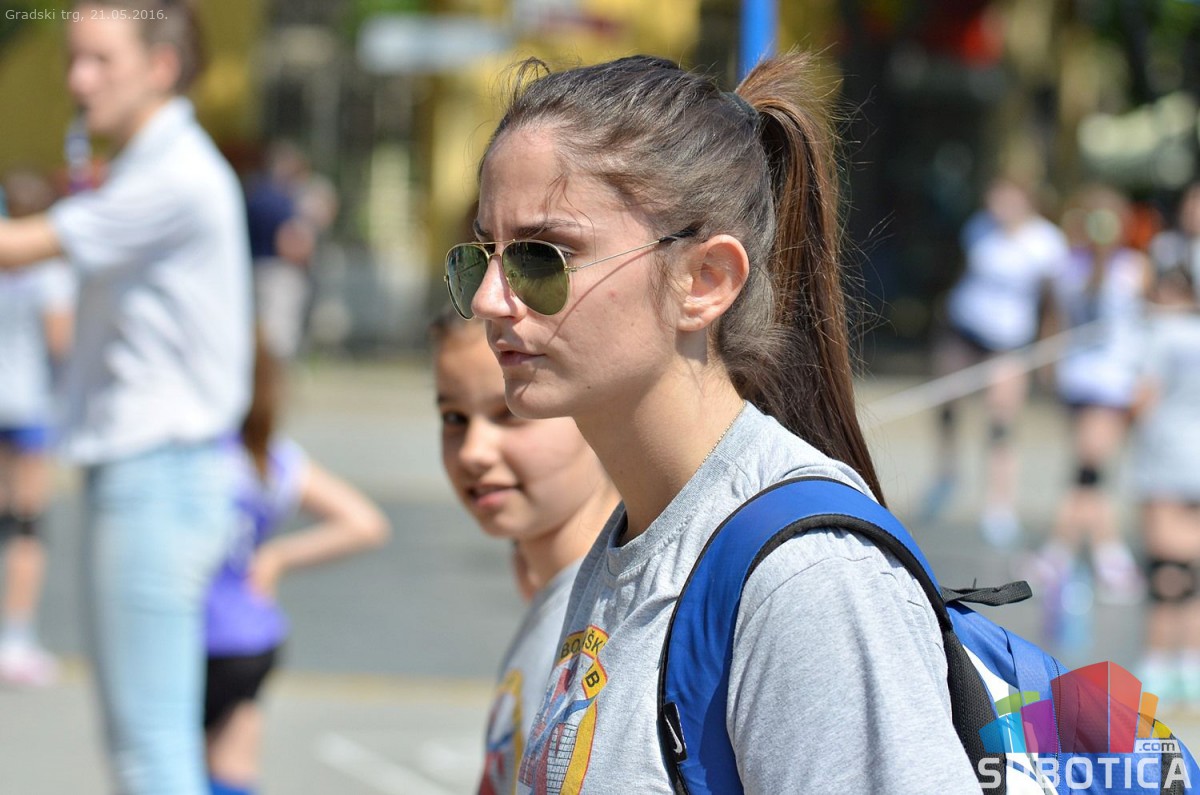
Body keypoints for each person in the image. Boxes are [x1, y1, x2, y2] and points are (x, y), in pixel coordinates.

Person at [444, 53, 980, 791]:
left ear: (704, 280)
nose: (488, 300)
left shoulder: (809, 579)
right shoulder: (633, 538)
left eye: (543, 256)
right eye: (480, 256)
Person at [0, 3, 252, 793]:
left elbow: (19, 246)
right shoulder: (150, 163)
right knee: (146, 740)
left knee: (150, 750)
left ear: (161, 66)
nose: (78, 80)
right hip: (153, 474)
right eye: (73, 58)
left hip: (160, 475)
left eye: (101, 60)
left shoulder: (173, 175)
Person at [430, 309, 618, 795]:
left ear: (595, 409)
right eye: (454, 418)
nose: (473, 451)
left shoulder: (610, 628)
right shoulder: (553, 604)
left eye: (511, 413)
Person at [204, 332, 390, 795]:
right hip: (251, 636)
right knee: (233, 767)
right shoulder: (266, 457)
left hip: (196, 633)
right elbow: (365, 523)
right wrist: (275, 557)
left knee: (166, 765)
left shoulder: (191, 456)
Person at [924, 176, 1068, 546]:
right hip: (965, 329)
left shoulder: (1046, 243)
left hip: (1009, 342)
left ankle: (999, 504)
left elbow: (1051, 303)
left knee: (1001, 419)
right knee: (947, 403)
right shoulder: (979, 229)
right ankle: (946, 474)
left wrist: (1048, 352)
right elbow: (964, 274)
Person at [1029, 184, 1148, 605]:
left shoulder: (1125, 268)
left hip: (1105, 382)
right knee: (1089, 473)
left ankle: (1067, 554)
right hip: (1096, 383)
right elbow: (1055, 320)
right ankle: (1102, 557)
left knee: (1088, 471)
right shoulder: (1089, 269)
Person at [0, 169, 75, 687]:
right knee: (28, 527)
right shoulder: (49, 272)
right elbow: (61, 343)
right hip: (29, 408)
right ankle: (16, 638)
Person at [1130, 265, 1200, 707]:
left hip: (1166, 456)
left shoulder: (1161, 335)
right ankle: (1190, 665)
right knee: (1191, 566)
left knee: (1165, 567)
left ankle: (1157, 661)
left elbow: (1143, 398)